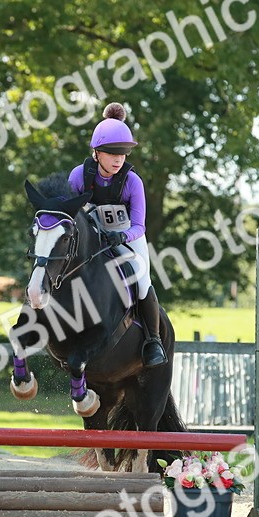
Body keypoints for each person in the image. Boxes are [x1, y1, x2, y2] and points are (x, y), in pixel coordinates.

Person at [68, 102, 167, 367]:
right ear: (97, 153)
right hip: (92, 238)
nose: (118, 159)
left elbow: (139, 226)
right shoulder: (79, 176)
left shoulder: (133, 181)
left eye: (122, 153)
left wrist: (120, 238)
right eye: (112, 153)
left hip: (127, 238)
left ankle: (153, 340)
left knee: (141, 276)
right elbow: (68, 215)